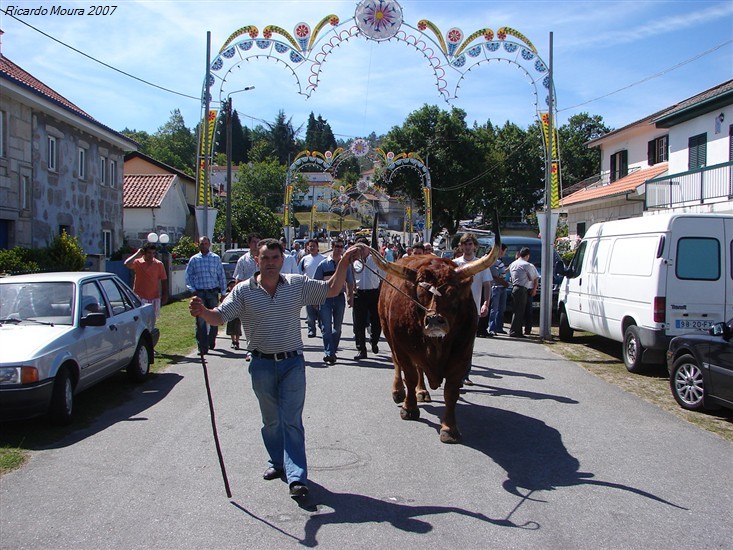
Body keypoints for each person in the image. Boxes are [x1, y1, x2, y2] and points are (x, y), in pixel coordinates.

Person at [188, 238, 365, 499]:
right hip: (260, 364)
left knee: (291, 421)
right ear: (256, 261)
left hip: (292, 362)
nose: (270, 263)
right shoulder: (243, 291)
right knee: (271, 421)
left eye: (275, 258)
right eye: (265, 258)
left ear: (282, 260)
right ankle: (277, 462)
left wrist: (345, 262)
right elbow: (220, 316)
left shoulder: (296, 284)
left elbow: (331, 288)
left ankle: (296, 477)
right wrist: (202, 312)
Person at [452, 233, 492, 385]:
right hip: (455, 310)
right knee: (454, 342)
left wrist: (485, 304)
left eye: (470, 244)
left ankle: (464, 374)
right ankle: (454, 373)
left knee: (468, 344)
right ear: (460, 246)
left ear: (475, 246)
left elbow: (487, 285)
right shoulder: (455, 263)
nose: (467, 247)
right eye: (465, 244)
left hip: (473, 309)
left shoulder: (481, 264)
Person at [314, 238, 354, 364]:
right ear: (332, 247)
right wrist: (315, 300)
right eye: (336, 246)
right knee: (326, 327)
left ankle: (333, 348)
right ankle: (329, 353)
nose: (338, 248)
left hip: (339, 298)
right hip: (325, 298)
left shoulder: (345, 265)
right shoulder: (323, 264)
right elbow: (316, 283)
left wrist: (350, 297)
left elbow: (350, 282)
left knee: (337, 328)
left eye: (341, 246)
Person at [185, 236, 227, 354]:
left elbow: (221, 275)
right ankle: (202, 347)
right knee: (200, 320)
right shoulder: (194, 259)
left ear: (209, 245)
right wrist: (192, 290)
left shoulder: (215, 258)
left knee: (215, 318)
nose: (203, 245)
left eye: (205, 243)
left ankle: (211, 341)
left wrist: (223, 292)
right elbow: (188, 276)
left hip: (213, 291)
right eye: (201, 244)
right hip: (200, 292)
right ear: (198, 245)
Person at [352, 236, 383, 360]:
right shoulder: (353, 261)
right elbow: (349, 278)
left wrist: (381, 293)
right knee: (358, 324)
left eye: (362, 248)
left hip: (374, 293)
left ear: (368, 249)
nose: (359, 250)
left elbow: (383, 278)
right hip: (359, 294)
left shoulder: (375, 260)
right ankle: (361, 350)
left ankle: (374, 340)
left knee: (376, 321)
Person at [124, 242, 168, 327]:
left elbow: (164, 280)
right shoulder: (138, 262)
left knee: (151, 322)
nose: (151, 255)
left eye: (153, 253)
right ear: (144, 252)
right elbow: (127, 264)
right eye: (149, 253)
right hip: (140, 297)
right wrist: (137, 253)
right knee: (140, 322)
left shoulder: (158, 264)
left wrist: (165, 295)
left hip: (154, 298)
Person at [508, 247, 539, 338]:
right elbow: (531, 278)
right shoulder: (526, 265)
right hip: (522, 288)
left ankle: (515, 330)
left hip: (514, 287)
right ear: (527, 256)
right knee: (520, 311)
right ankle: (515, 331)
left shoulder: (513, 264)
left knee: (516, 310)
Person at [298, 239, 326, 338]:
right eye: (310, 246)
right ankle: (311, 330)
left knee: (321, 311)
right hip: (308, 288)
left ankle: (323, 328)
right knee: (310, 312)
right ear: (308, 247)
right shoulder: (304, 259)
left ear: (318, 247)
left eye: (314, 246)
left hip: (320, 287)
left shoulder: (323, 259)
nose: (312, 248)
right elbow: (299, 273)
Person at [488, 243, 510, 336]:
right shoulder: (493, 262)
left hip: (502, 288)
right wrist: (503, 282)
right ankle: (492, 328)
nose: (504, 253)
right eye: (504, 251)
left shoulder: (499, 261)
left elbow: (501, 273)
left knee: (501, 309)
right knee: (495, 309)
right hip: (496, 287)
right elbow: (495, 275)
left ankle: (499, 327)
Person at [223, 280, 241, 349]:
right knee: (231, 329)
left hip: (238, 314)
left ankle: (237, 341)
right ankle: (233, 341)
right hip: (230, 314)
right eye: (231, 286)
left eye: (234, 286)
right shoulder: (227, 295)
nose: (232, 287)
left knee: (237, 329)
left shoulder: (239, 294)